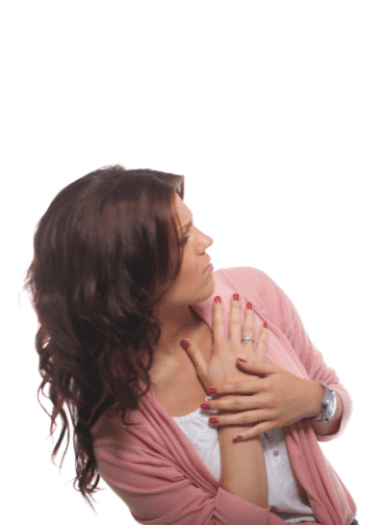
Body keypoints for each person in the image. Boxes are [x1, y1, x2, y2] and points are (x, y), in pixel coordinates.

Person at [27, 166, 357, 525]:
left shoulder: (251, 293)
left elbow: (333, 396)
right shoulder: (118, 436)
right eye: (183, 238)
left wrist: (314, 399)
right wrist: (232, 398)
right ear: (130, 273)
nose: (206, 241)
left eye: (192, 226)